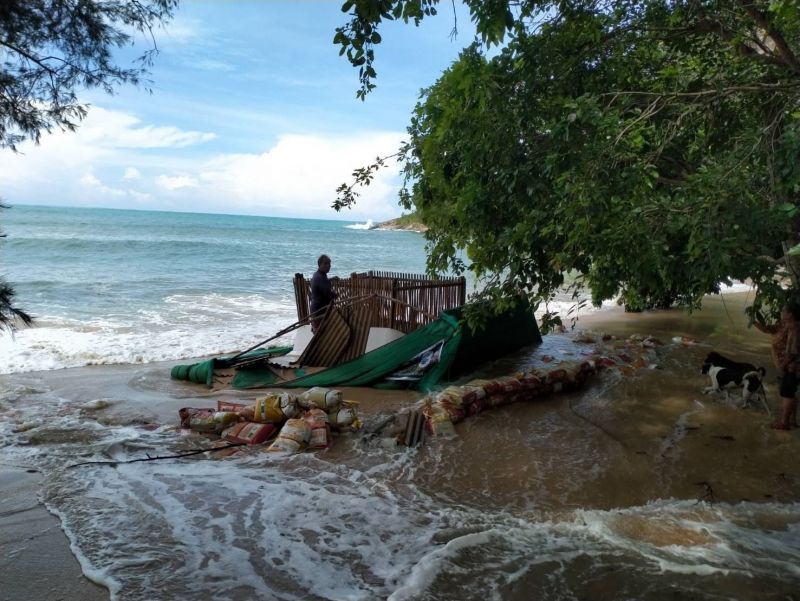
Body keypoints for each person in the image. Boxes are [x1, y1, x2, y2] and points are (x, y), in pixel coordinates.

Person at [754, 301, 800, 429]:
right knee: (791, 391)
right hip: (791, 366)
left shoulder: (794, 328)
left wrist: (782, 365)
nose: (781, 313)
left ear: (790, 314)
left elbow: (793, 353)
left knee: (787, 392)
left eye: (783, 311)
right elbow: (768, 329)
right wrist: (753, 321)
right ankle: (792, 420)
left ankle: (784, 423)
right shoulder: (786, 325)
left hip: (792, 367)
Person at [309, 254, 337, 332]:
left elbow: (323, 284)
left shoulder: (319, 275)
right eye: (326, 263)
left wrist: (331, 279)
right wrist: (336, 295)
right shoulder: (319, 277)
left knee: (321, 334)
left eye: (329, 264)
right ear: (320, 264)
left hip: (318, 310)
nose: (329, 266)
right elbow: (327, 293)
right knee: (321, 335)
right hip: (319, 311)